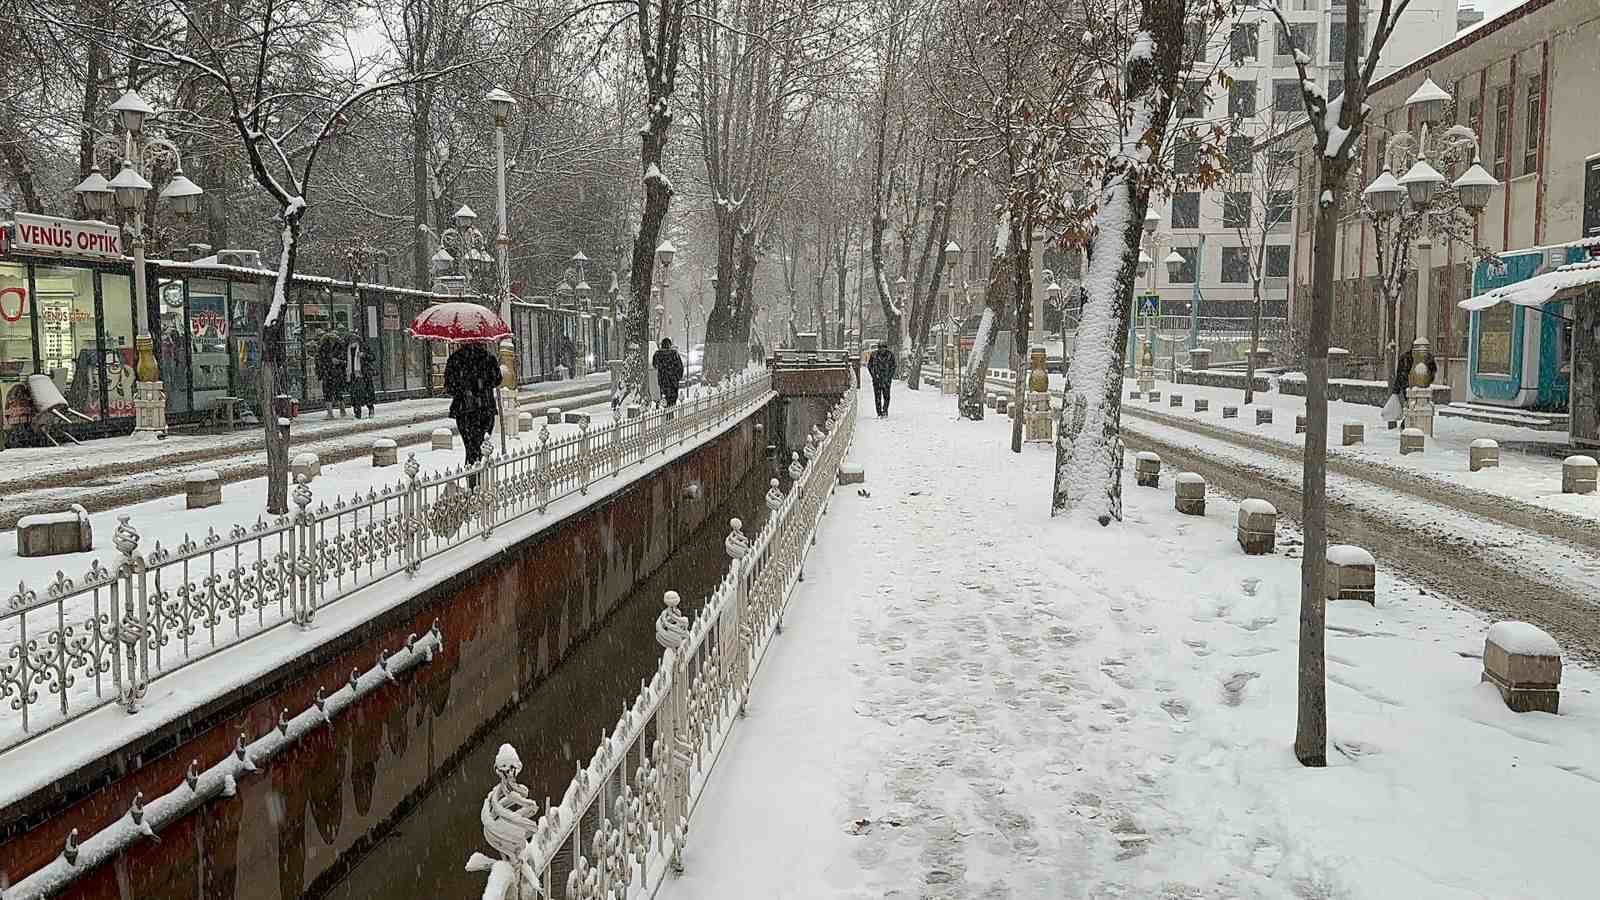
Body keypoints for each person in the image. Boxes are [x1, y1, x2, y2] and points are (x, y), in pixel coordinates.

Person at [444, 341, 501, 483]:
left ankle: (473, 483)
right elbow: (497, 380)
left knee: (471, 448)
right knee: (481, 447)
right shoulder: (488, 357)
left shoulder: (455, 358)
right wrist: (482, 384)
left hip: (465, 411)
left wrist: (465, 388)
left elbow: (449, 387)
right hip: (485, 408)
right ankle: (478, 481)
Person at [315, 328, 349, 418]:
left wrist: (339, 362)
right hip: (329, 373)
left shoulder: (339, 348)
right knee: (330, 393)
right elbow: (319, 361)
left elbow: (346, 361)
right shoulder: (323, 348)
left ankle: (339, 410)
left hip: (335, 373)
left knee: (336, 393)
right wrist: (320, 372)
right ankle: (332, 412)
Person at [346, 333, 377, 419]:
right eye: (350, 339)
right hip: (352, 375)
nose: (352, 340)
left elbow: (373, 357)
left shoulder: (363, 347)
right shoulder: (347, 349)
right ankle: (357, 413)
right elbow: (345, 360)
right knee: (355, 395)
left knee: (366, 393)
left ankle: (370, 408)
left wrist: (364, 355)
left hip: (363, 374)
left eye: (354, 339)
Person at [867, 341, 897, 417]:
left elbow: (893, 366)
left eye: (884, 347)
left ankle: (885, 410)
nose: (882, 349)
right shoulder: (874, 355)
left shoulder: (890, 355)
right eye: (880, 347)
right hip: (877, 379)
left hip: (886, 379)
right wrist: (873, 375)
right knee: (877, 397)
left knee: (887, 396)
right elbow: (870, 366)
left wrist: (890, 376)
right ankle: (879, 412)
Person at [652, 338, 684, 407]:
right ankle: (670, 415)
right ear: (670, 345)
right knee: (672, 402)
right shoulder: (674, 354)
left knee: (664, 400)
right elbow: (680, 367)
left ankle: (667, 414)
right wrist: (677, 377)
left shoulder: (658, 354)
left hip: (663, 382)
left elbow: (654, 365)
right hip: (673, 382)